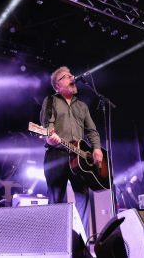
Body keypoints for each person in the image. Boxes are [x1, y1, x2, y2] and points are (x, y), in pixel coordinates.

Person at [40, 66, 103, 236]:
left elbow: (92, 131)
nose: (72, 77)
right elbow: (48, 126)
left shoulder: (82, 106)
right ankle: (58, 243)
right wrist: (49, 136)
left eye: (71, 75)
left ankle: (82, 242)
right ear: (57, 86)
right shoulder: (51, 101)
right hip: (57, 155)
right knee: (56, 200)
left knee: (83, 197)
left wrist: (96, 148)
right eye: (66, 76)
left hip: (80, 159)